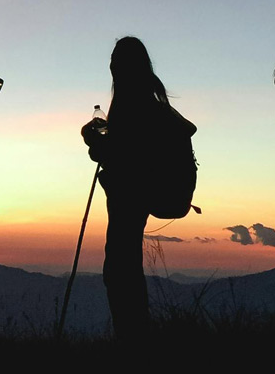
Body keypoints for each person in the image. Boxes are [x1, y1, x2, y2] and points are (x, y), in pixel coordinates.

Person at [82, 37, 196, 340]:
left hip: (130, 197)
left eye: (114, 62)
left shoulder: (132, 106)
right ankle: (135, 338)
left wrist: (92, 140)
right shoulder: (152, 104)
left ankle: (132, 340)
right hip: (142, 194)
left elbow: (122, 157)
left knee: (120, 270)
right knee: (122, 267)